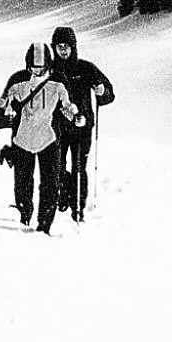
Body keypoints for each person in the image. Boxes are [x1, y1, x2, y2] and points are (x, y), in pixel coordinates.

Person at [3, 41, 83, 234]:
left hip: (48, 138)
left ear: (48, 65)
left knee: (50, 184)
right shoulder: (19, 85)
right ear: (28, 65)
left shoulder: (57, 86)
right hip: (23, 139)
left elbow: (67, 106)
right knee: (22, 182)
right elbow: (6, 104)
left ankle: (44, 224)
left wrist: (76, 116)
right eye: (34, 67)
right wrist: (3, 106)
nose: (37, 71)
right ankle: (24, 214)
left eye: (41, 67)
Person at [51, 25, 115, 222]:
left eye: (66, 46)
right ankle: (65, 193)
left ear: (73, 46)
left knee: (79, 167)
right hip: (58, 128)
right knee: (57, 166)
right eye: (59, 46)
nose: (63, 50)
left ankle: (78, 209)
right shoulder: (51, 71)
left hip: (83, 127)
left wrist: (102, 92)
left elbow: (109, 94)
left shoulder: (86, 68)